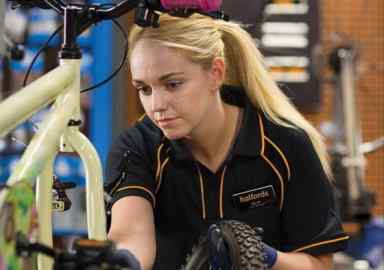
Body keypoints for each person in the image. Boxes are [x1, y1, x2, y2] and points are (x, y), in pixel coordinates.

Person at [105, 13, 349, 270]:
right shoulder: (136, 147)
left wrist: (260, 255)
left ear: (215, 73)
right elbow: (130, 238)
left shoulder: (286, 145)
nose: (156, 106)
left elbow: (320, 265)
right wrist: (120, 263)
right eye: (144, 89)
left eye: (173, 84)